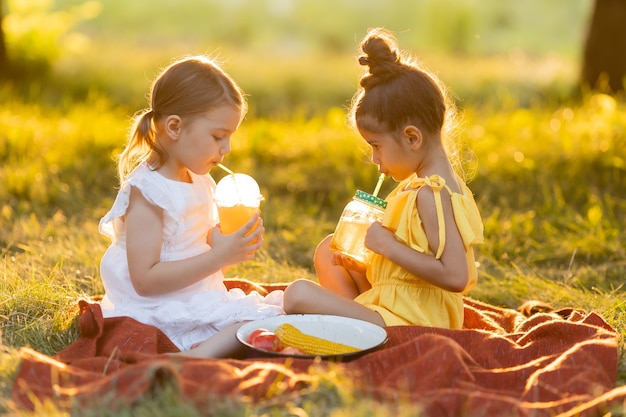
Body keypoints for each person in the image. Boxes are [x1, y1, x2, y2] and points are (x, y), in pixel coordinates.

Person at [283, 28, 484, 330]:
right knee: (330, 250)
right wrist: (370, 263)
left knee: (297, 294)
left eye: (376, 146)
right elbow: (408, 272)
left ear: (412, 137)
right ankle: (357, 327)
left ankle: (361, 331)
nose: (375, 160)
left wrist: (388, 247)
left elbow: (456, 276)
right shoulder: (419, 187)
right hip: (400, 307)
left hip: (415, 321)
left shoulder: (432, 192)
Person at [98, 55, 284, 357]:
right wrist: (219, 256)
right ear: (174, 127)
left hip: (196, 295)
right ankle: (192, 357)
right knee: (251, 326)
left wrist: (231, 244)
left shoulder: (200, 179)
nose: (227, 149)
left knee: (266, 321)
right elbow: (144, 280)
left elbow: (196, 245)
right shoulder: (148, 192)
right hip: (157, 307)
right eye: (218, 137)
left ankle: (207, 347)